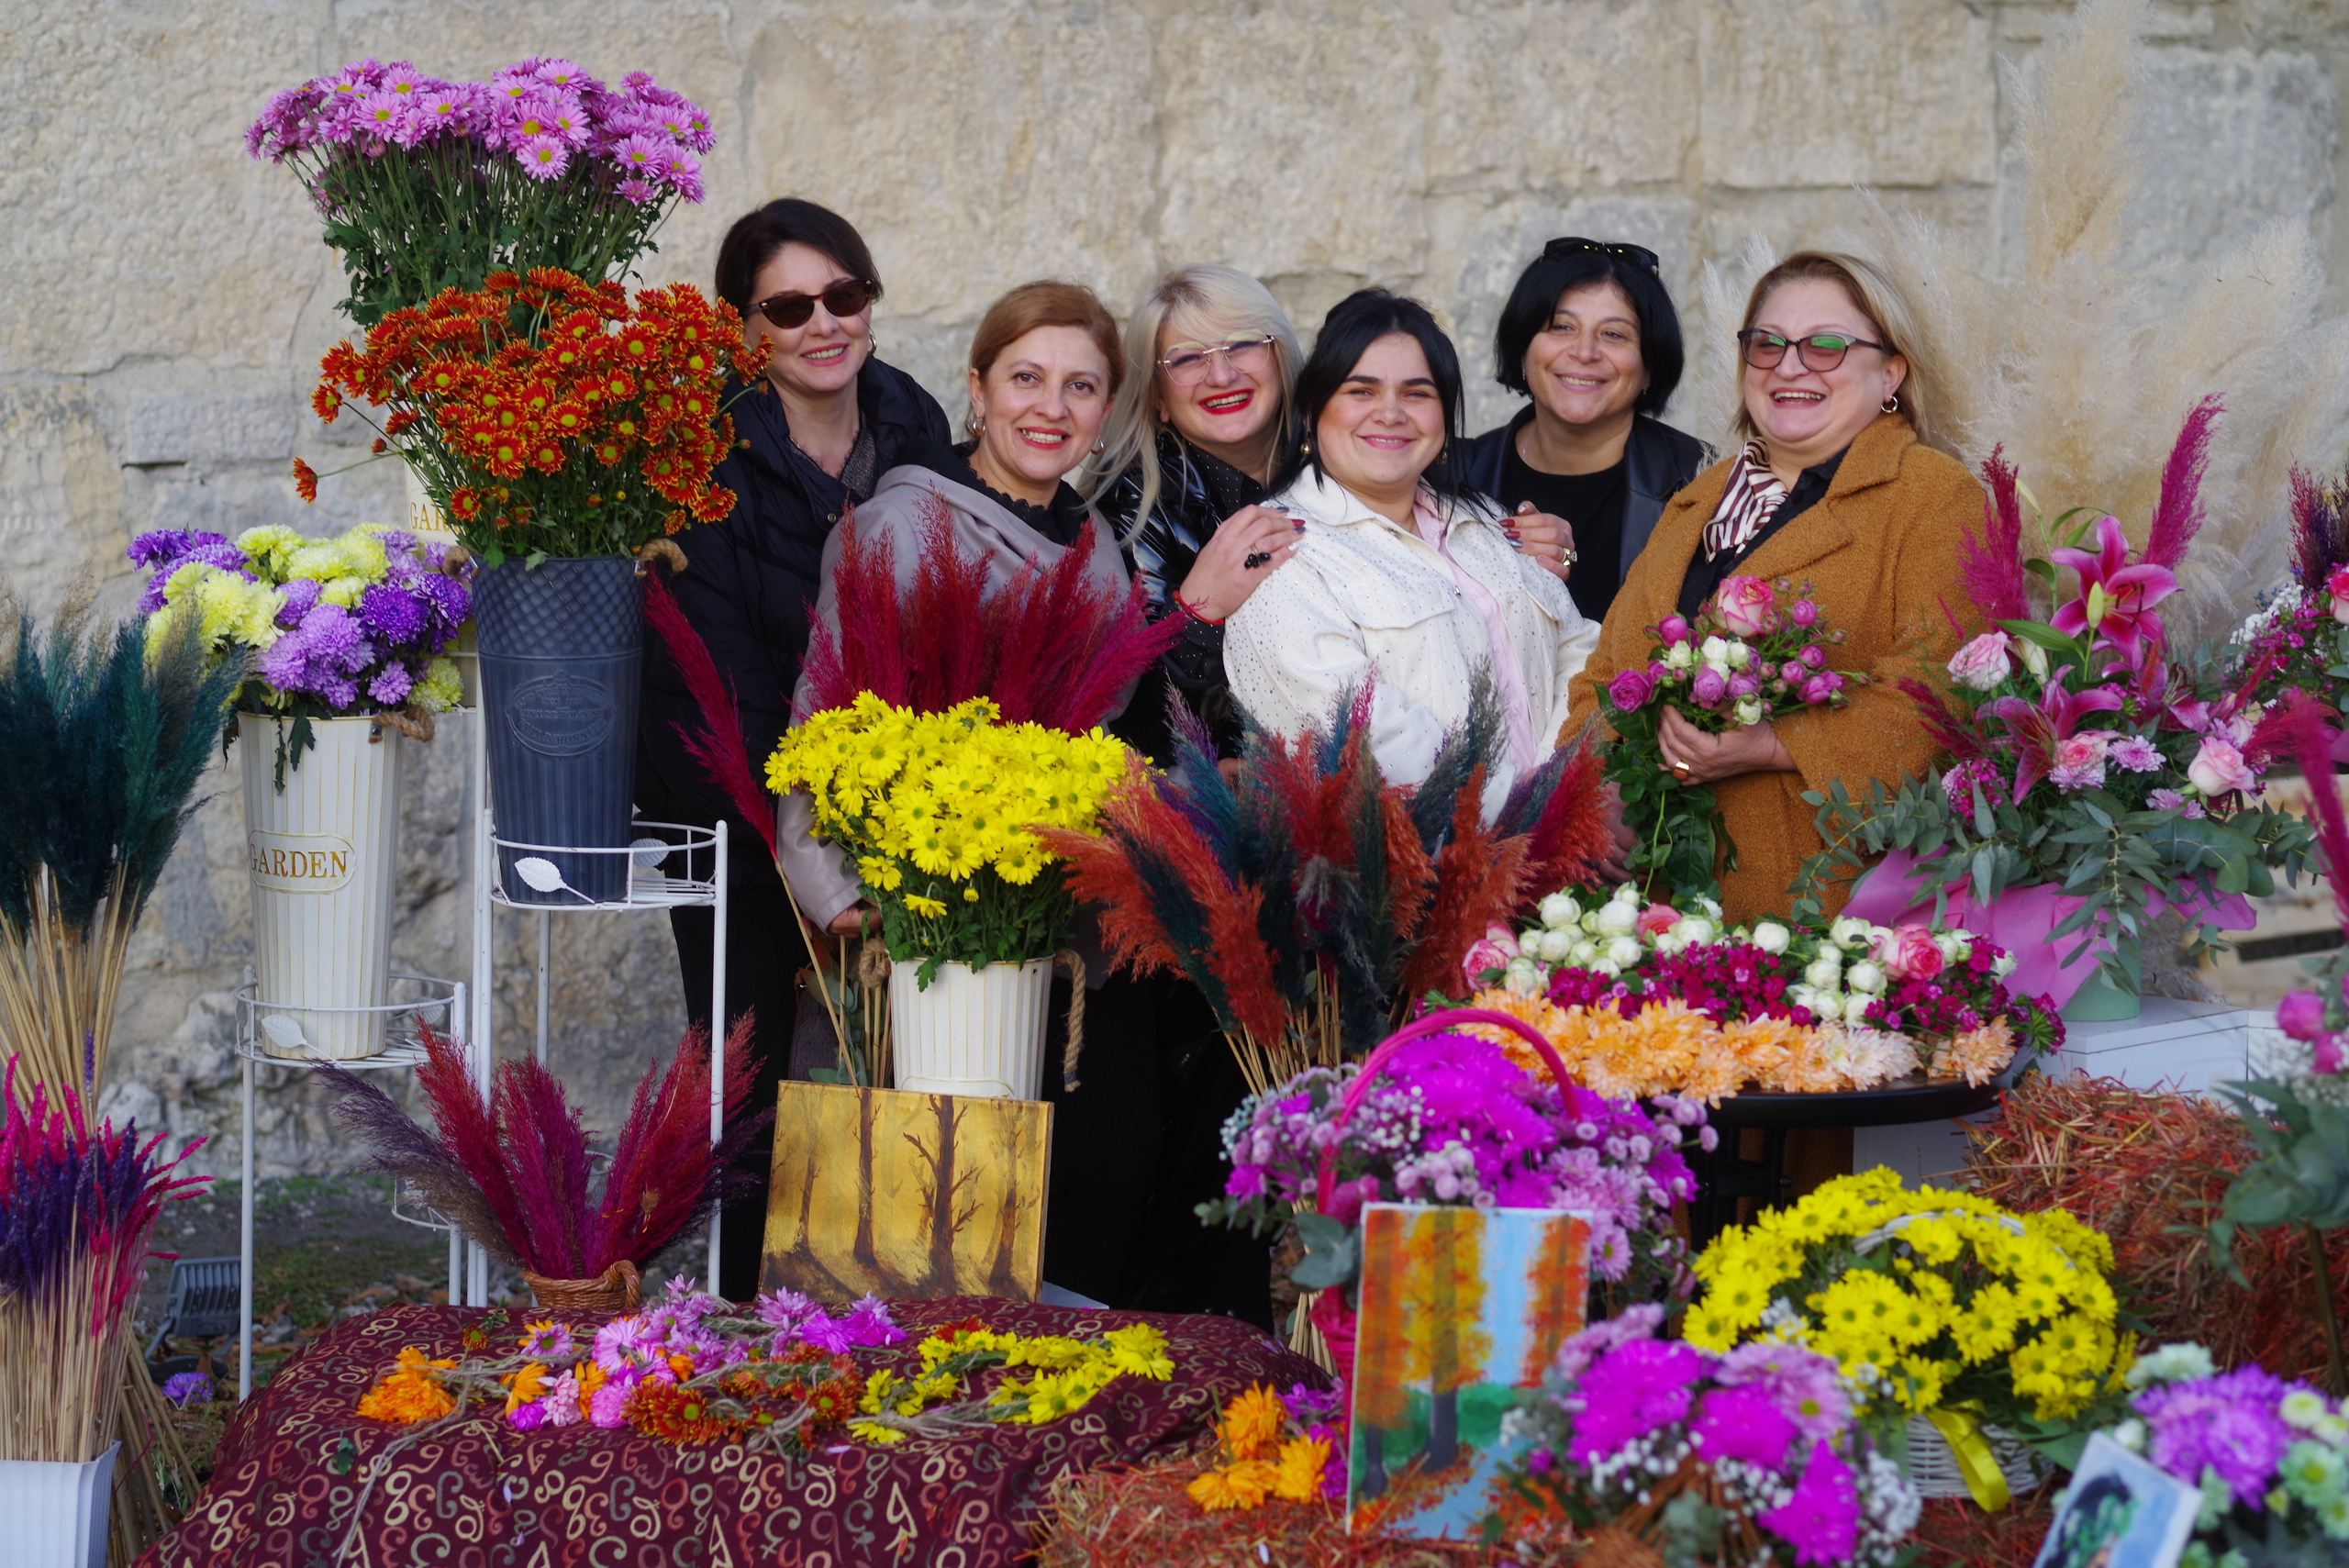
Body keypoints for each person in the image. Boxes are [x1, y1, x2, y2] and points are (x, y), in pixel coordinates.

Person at [773, 280, 1163, 1307]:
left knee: (1015, 1202)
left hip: (1036, 925)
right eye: (1025, 377)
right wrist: (846, 900)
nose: (1052, 406)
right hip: (913, 925)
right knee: (895, 1206)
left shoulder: (1100, 552)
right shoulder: (901, 526)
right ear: (977, 390)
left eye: (1082, 385)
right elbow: (822, 721)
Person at [635, 197, 951, 1301]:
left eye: (845, 295)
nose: (825, 322)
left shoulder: (917, 430)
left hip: (895, 799)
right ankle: (735, 1309)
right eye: (789, 305)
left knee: (921, 1058)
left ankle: (901, 1300)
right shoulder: (700, 457)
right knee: (748, 1067)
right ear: (746, 330)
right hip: (737, 803)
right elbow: (715, 676)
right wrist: (811, 842)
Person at [1564, 250, 1983, 926]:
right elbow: (1604, 678)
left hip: (1830, 907)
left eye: (1826, 345)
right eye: (1767, 345)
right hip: (1658, 909)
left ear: (1891, 374)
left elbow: (1941, 693)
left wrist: (1769, 743)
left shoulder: (1934, 496)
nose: (1789, 366)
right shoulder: (1697, 502)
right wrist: (1597, 796)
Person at [1223, 289, 1600, 809]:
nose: (1391, 413)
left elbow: (1580, 651)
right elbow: (1373, 746)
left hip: (1565, 847)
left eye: (1418, 393)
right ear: (1312, 413)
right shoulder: (1282, 554)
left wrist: (1563, 788)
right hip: (1428, 874)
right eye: (1361, 390)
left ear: (1444, 420)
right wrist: (1527, 818)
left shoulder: (1490, 523)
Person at [1089, 264, 1304, 761]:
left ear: (1280, 357)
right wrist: (1198, 608)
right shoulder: (1128, 511)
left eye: (1243, 344)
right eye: (1187, 359)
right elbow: (1132, 705)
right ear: (1159, 399)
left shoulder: (1342, 457)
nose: (1222, 374)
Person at [1455, 237, 1711, 625]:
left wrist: (1568, 558)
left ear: (1649, 368)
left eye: (1613, 334)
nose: (1584, 352)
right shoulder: (1452, 476)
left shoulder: (1704, 482)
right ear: (1522, 348)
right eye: (1561, 327)